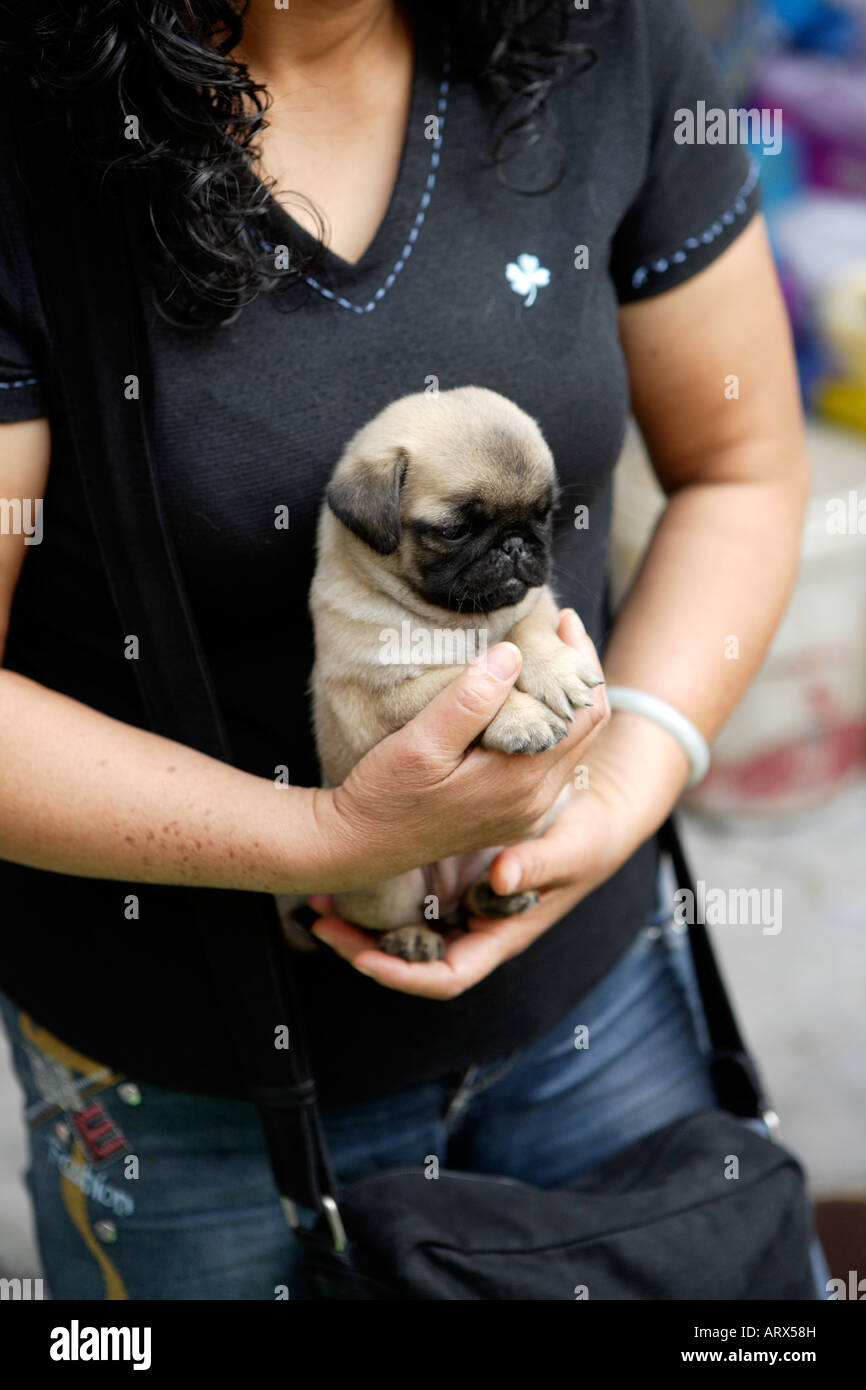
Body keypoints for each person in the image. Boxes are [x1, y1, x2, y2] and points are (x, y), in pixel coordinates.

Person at [0, 0, 812, 1299]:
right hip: (190, 1087)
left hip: (596, 997)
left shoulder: (606, 36)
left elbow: (743, 467)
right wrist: (329, 841)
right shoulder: (28, 136)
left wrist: (624, 778)